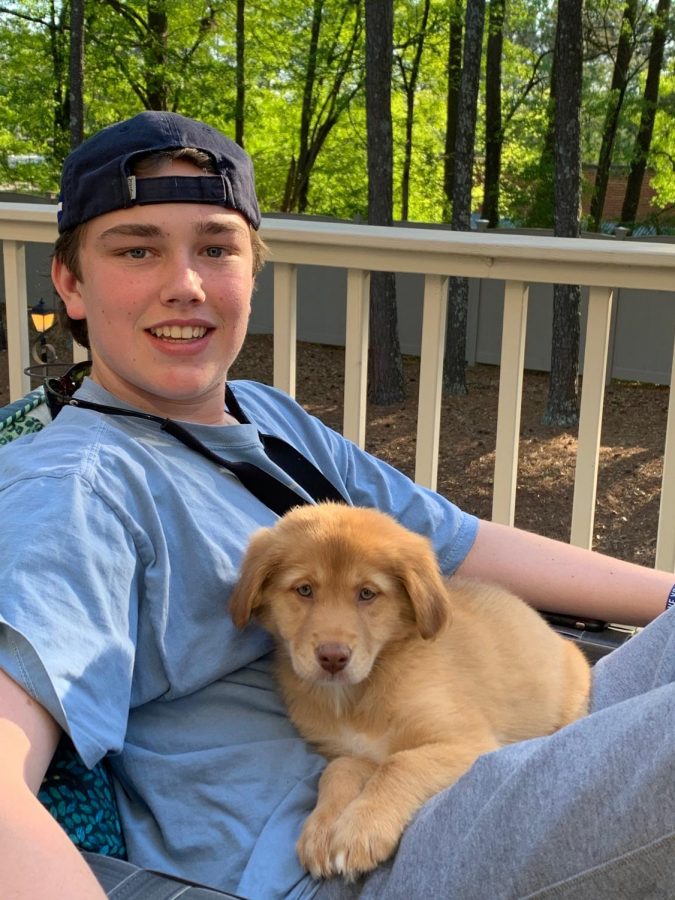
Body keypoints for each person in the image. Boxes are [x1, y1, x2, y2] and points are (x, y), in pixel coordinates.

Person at [0, 110, 674, 900]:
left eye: (216, 247)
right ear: (71, 284)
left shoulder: (266, 417)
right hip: (338, 860)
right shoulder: (77, 491)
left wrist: (665, 593)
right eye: (137, 249)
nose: (183, 283)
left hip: (452, 746)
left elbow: (456, 542)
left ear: (251, 271)